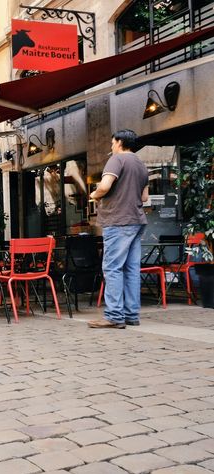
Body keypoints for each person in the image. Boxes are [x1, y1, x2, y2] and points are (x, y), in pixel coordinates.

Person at [88, 129, 149, 329]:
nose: (111, 146)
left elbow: (105, 186)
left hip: (118, 220)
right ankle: (131, 314)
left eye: (113, 142)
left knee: (113, 268)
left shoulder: (117, 159)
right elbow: (144, 197)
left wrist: (94, 194)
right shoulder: (141, 165)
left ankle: (114, 315)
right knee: (131, 269)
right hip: (136, 220)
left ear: (120, 142)